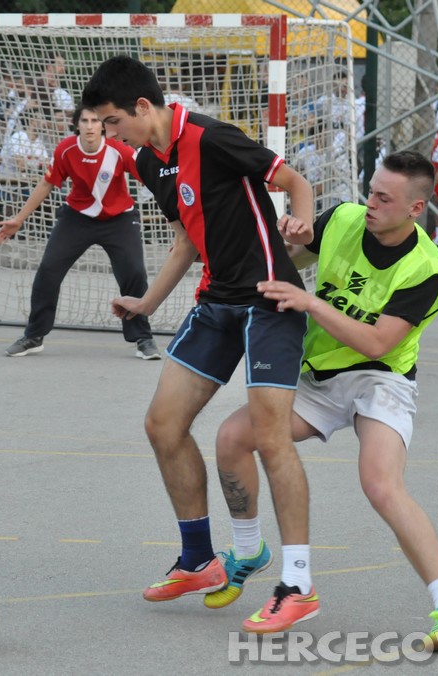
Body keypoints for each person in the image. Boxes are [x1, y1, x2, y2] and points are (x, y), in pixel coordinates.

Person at [81, 55, 317, 631]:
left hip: (270, 297)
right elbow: (189, 236)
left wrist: (304, 221)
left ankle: (299, 585)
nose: (108, 135)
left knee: (267, 436)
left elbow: (293, 181)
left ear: (142, 107)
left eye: (111, 123)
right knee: (162, 425)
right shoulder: (146, 160)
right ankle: (200, 560)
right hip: (216, 304)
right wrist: (147, 303)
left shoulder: (212, 138)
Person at [213, 150, 438, 648]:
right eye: (371, 190)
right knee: (231, 438)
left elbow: (377, 342)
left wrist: (311, 301)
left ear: (415, 209)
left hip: (381, 379)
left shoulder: (429, 272)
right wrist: (286, 242)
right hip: (321, 375)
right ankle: (248, 551)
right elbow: (286, 265)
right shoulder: (341, 218)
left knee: (381, 485)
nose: (371, 202)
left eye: (384, 197)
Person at [0, 106, 160, 360]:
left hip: (119, 219)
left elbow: (151, 178)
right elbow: (46, 184)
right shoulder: (66, 149)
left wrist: (178, 216)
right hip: (76, 218)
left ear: (103, 125)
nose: (91, 125)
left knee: (134, 273)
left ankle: (142, 339)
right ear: (78, 125)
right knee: (48, 269)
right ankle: (34, 336)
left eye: (96, 120)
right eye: (85, 120)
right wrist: (18, 219)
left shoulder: (119, 150)